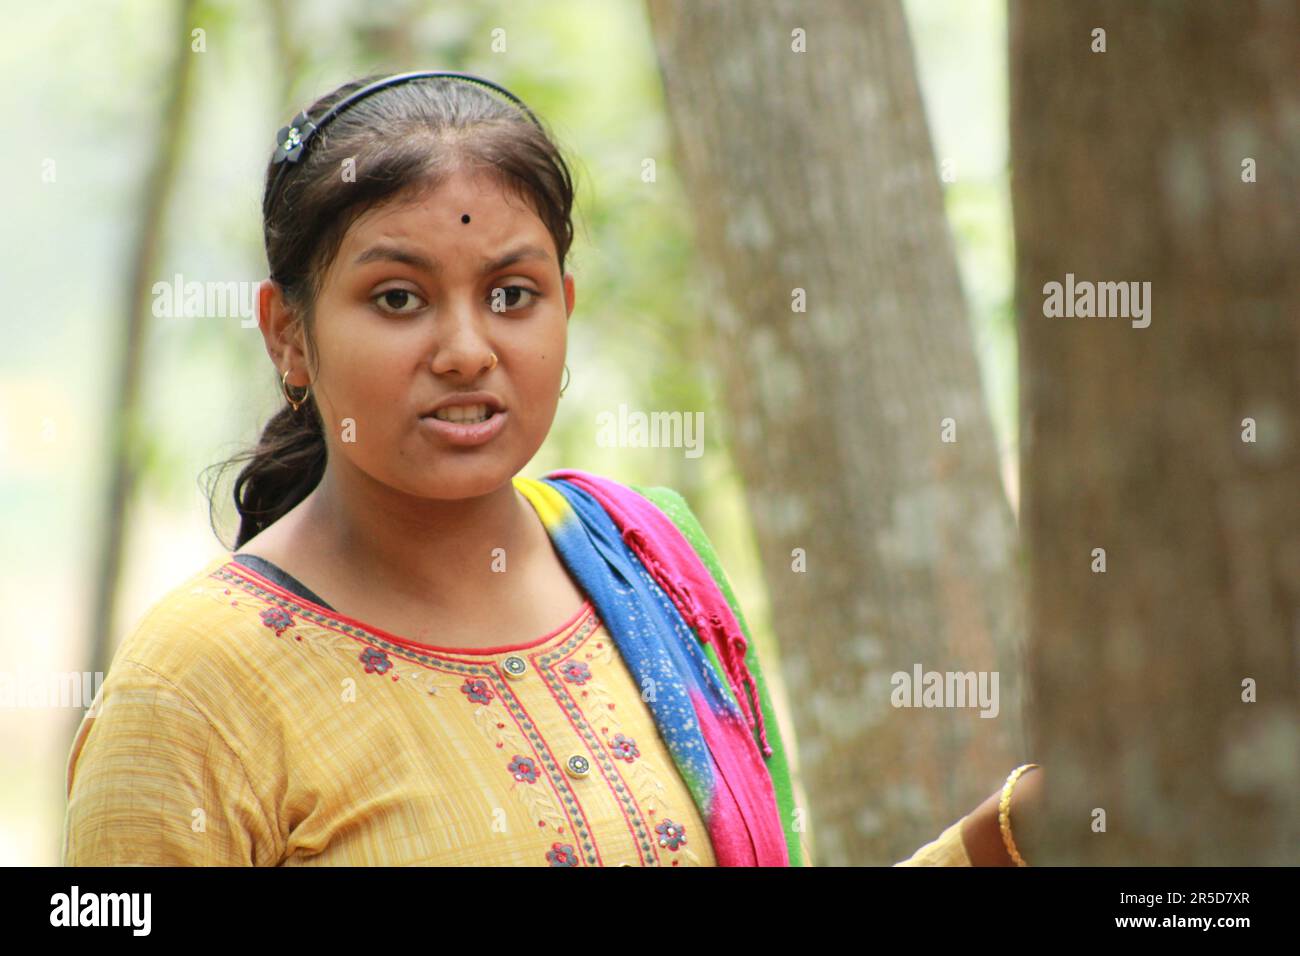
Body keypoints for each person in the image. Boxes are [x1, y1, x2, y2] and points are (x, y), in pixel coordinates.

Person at [60, 71, 1039, 867]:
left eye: (512, 293)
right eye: (398, 297)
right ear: (290, 334)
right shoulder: (189, 690)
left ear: (564, 306)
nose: (466, 348)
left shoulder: (644, 564)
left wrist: (1014, 835)